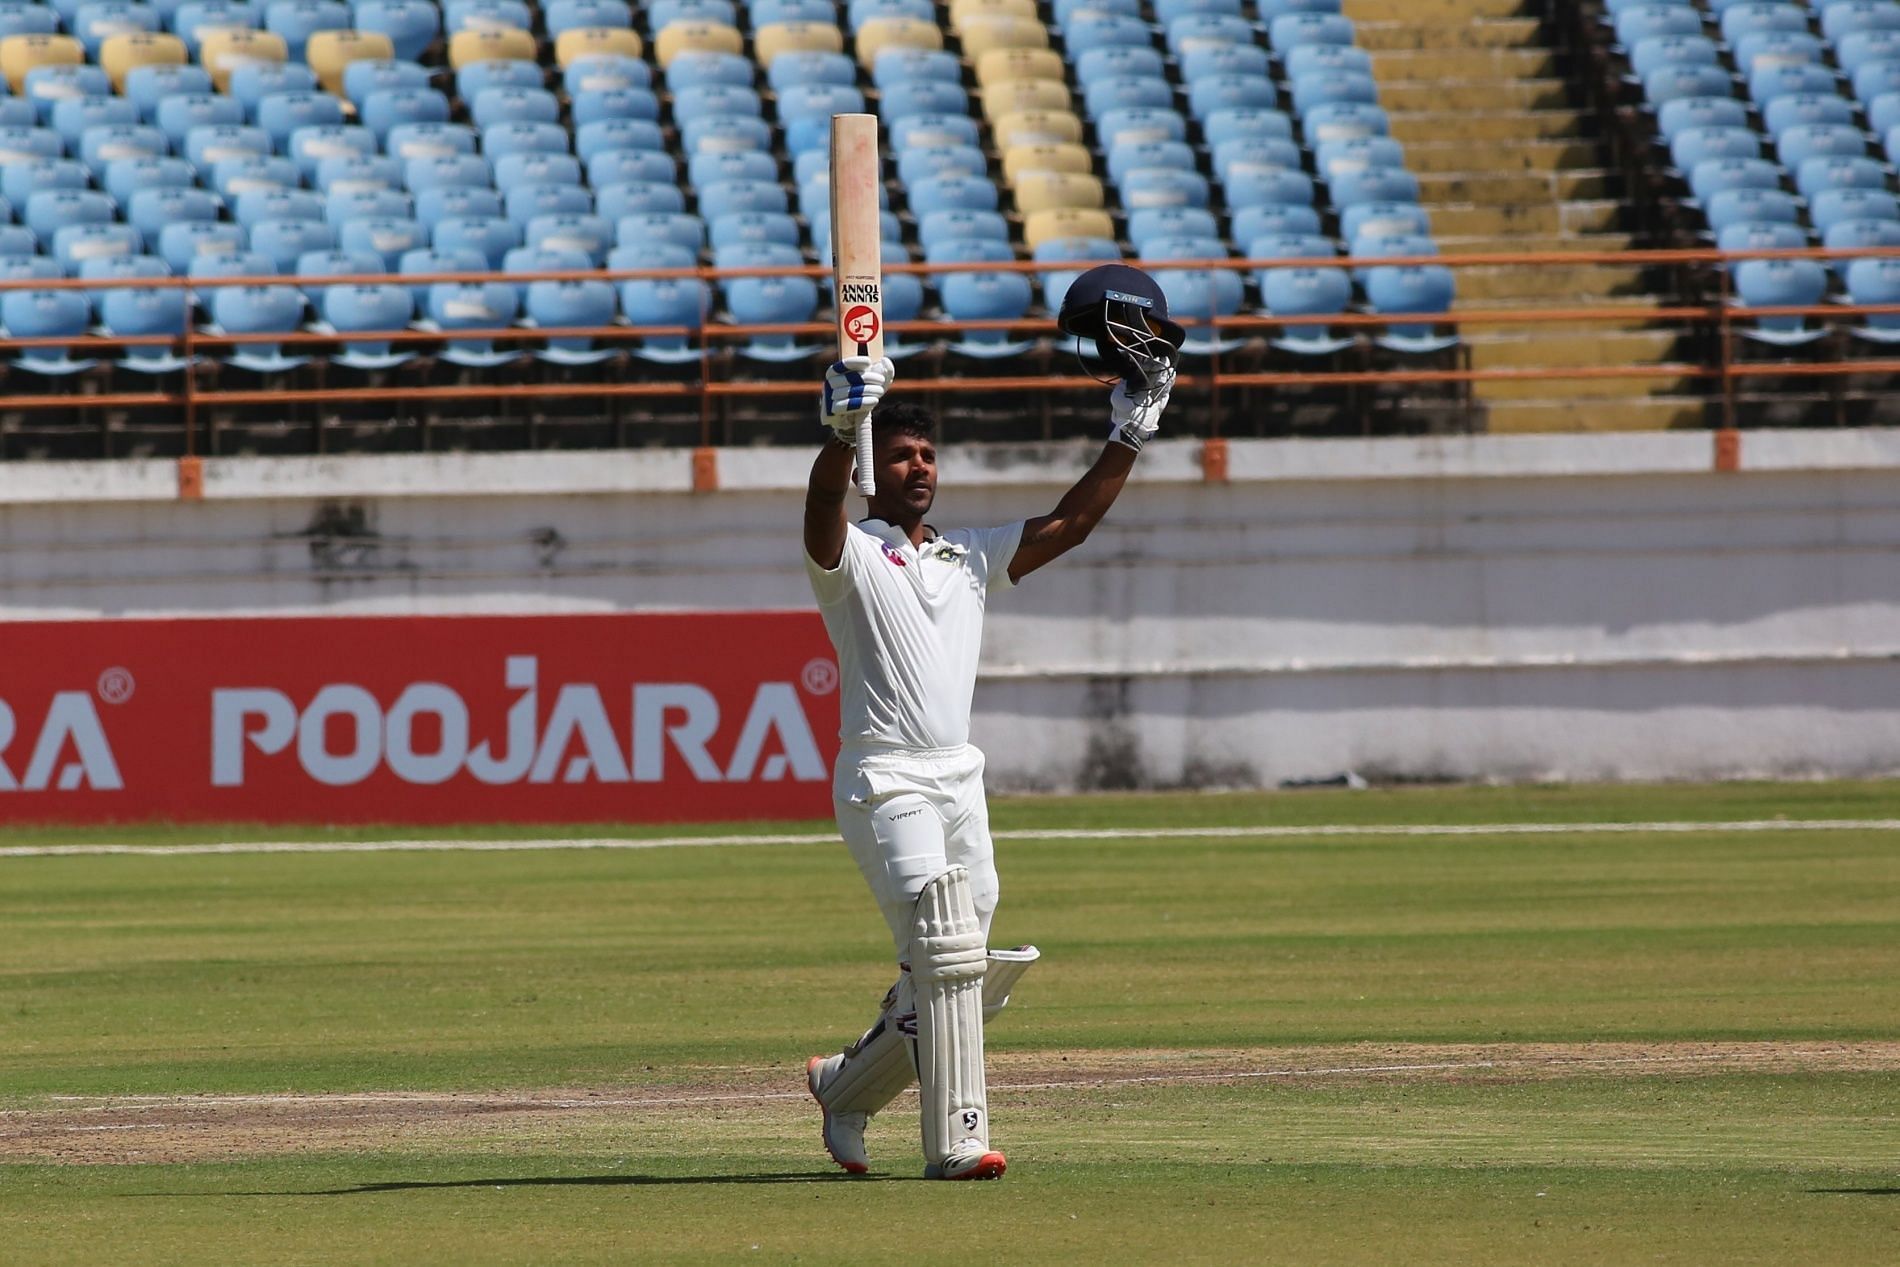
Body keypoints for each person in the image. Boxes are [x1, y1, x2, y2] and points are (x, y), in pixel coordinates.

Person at [800, 264, 1186, 1180]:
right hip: (884, 776)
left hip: (957, 775)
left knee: (969, 973)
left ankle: (844, 1089)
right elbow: (820, 509)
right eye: (898, 457)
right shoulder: (850, 557)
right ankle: (958, 1139)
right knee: (942, 941)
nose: (918, 467)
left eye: (927, 456)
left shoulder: (970, 558)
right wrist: (837, 431)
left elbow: (1071, 524)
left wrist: (1133, 430)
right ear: (871, 473)